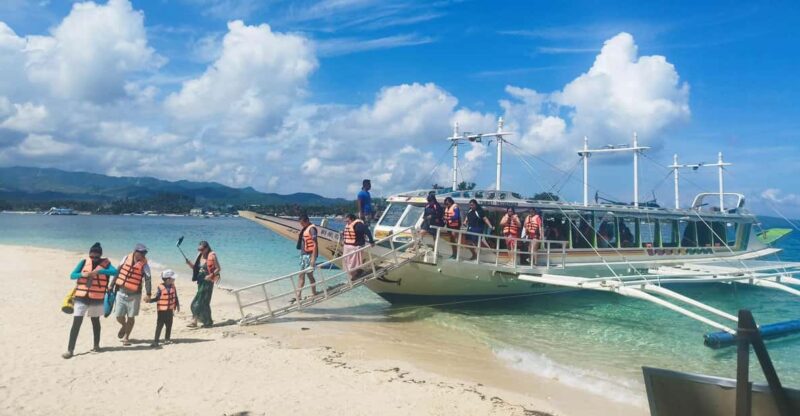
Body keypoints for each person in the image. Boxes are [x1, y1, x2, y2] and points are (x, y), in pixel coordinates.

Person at [63, 242, 118, 359]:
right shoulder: (83, 262)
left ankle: (96, 345)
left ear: (100, 256)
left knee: (95, 321)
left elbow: (115, 272)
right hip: (81, 297)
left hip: (97, 298)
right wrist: (83, 274)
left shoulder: (106, 265)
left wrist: (99, 271)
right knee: (76, 323)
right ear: (89, 254)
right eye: (91, 256)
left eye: (96, 257)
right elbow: (72, 275)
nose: (93, 259)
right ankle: (70, 350)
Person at [111, 243, 151, 346]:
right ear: (135, 251)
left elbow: (147, 279)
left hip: (135, 295)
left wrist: (148, 294)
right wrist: (111, 285)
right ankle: (124, 326)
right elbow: (118, 271)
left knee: (131, 317)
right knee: (119, 316)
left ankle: (126, 337)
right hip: (121, 292)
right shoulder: (125, 258)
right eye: (141, 252)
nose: (143, 254)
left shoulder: (145, 265)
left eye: (144, 253)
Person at [186, 240, 220, 328]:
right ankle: (208, 321)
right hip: (200, 281)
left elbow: (218, 268)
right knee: (204, 302)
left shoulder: (212, 255)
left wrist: (210, 275)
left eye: (201, 249)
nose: (200, 251)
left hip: (208, 282)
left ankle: (194, 320)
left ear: (207, 248)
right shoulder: (200, 255)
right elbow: (196, 268)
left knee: (198, 300)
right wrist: (190, 264)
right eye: (199, 249)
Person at [148, 269, 180, 347]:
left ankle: (167, 339)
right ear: (168, 280)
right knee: (159, 325)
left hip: (170, 310)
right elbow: (157, 298)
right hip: (162, 311)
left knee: (169, 325)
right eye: (173, 278)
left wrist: (177, 304)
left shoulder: (173, 286)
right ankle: (156, 341)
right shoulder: (161, 288)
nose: (174, 279)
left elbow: (175, 296)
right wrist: (150, 300)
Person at [342, 213, 375, 280]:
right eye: (346, 221)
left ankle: (356, 273)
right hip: (348, 247)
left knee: (353, 263)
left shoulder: (359, 225)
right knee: (347, 262)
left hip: (355, 247)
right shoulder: (349, 225)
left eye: (347, 220)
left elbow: (367, 231)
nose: (346, 222)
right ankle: (354, 274)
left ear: (352, 219)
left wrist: (371, 241)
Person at [294, 215, 319, 301]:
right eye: (300, 223)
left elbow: (315, 244)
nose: (301, 225)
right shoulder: (305, 228)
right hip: (304, 255)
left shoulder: (312, 229)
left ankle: (314, 293)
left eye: (302, 223)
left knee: (310, 275)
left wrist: (313, 258)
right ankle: (299, 294)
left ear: (307, 221)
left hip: (309, 255)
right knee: (301, 275)